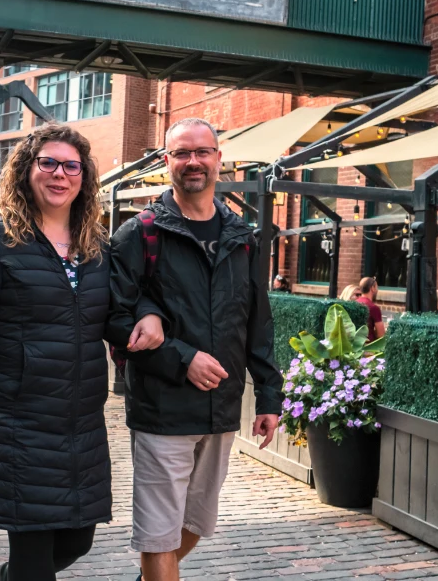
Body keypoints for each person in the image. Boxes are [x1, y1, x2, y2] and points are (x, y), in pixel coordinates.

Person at [0, 125, 164, 581]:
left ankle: (11, 577)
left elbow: (125, 303)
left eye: (71, 165)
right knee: (35, 555)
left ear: (84, 176)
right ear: (27, 170)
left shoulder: (95, 243)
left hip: (80, 424)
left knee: (78, 540)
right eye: (48, 163)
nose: (60, 174)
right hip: (17, 421)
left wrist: (150, 314)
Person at [108, 117, 284, 581]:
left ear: (218, 160)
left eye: (202, 152)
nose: (193, 162)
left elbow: (257, 321)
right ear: (166, 162)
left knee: (196, 524)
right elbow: (113, 317)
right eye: (182, 153)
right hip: (162, 409)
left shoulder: (242, 237)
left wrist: (269, 396)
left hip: (221, 408)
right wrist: (181, 359)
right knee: (159, 535)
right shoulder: (139, 233)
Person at [354, 277, 385, 341]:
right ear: (372, 288)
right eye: (376, 287)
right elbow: (381, 335)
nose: (377, 290)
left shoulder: (354, 304)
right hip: (368, 347)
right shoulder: (374, 308)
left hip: (354, 345)